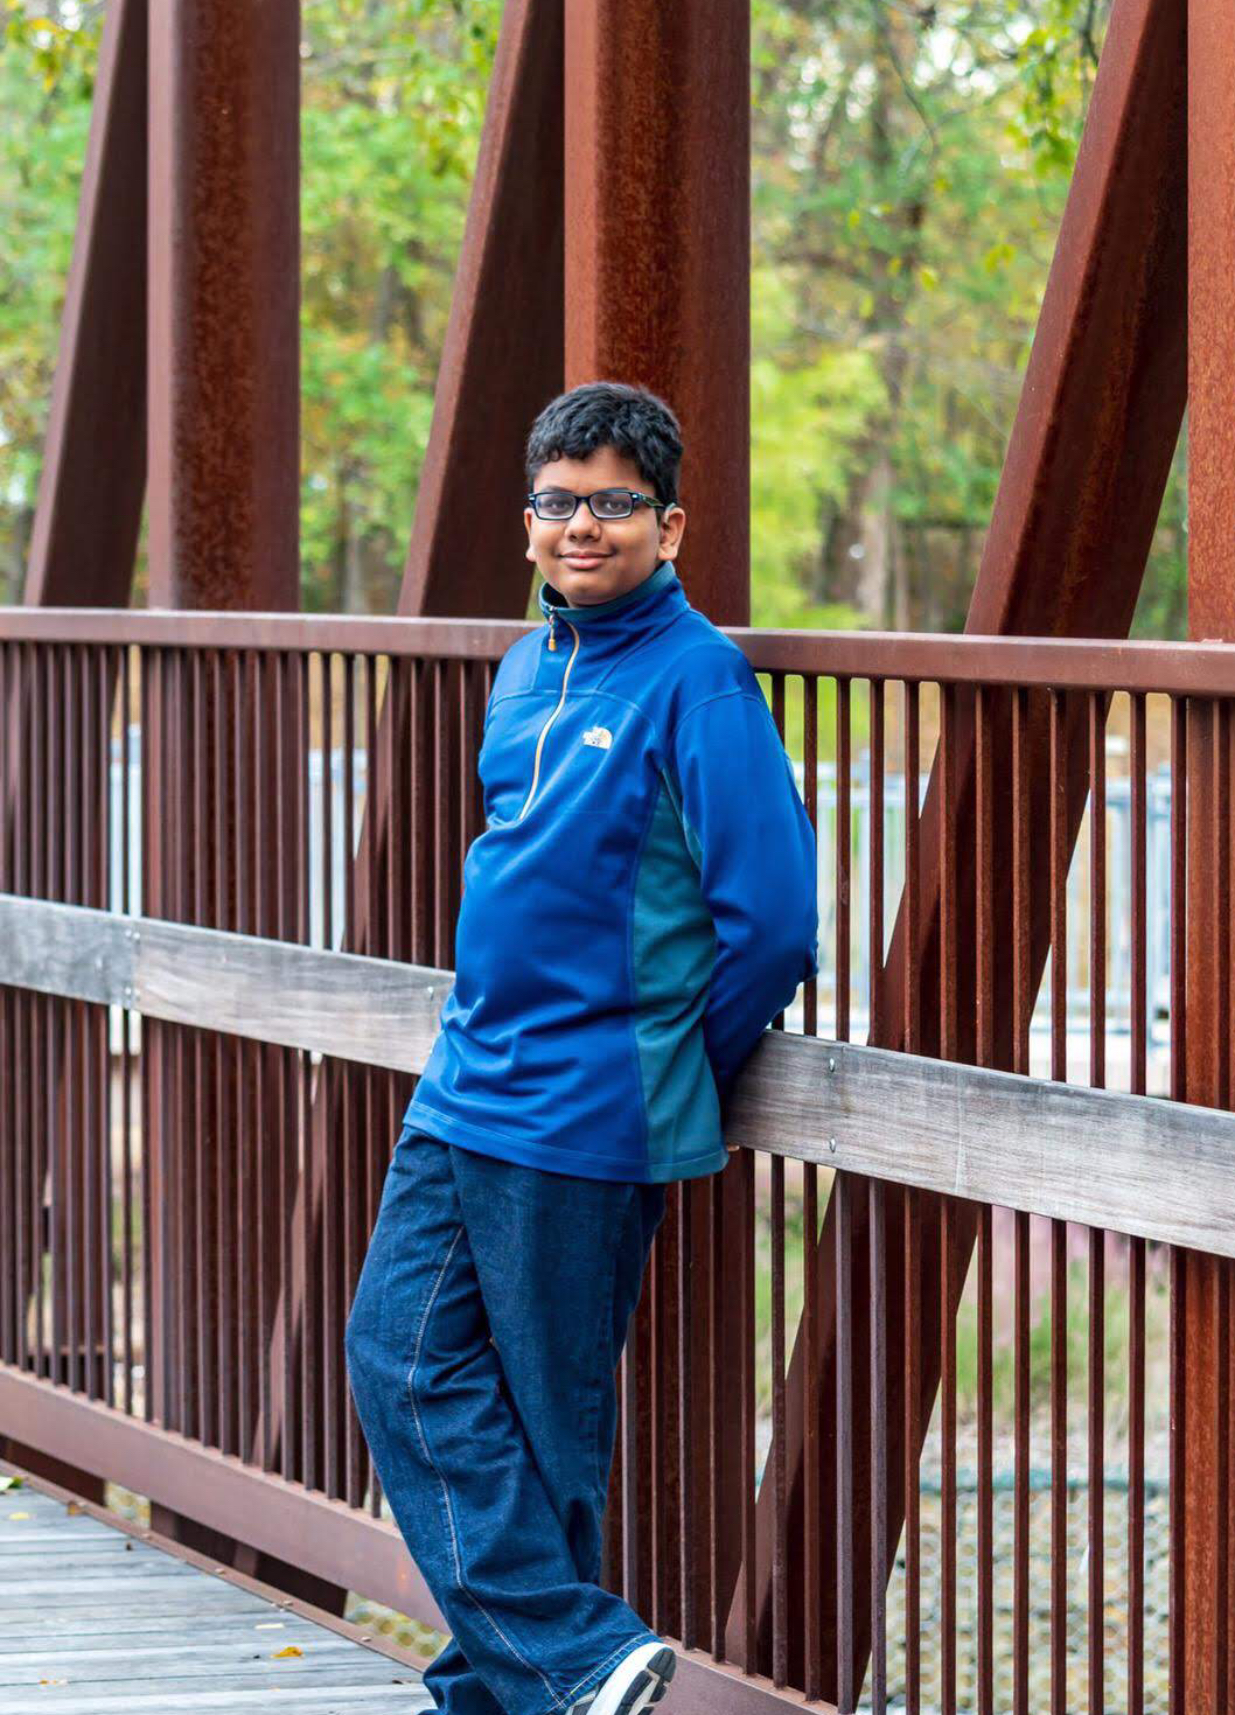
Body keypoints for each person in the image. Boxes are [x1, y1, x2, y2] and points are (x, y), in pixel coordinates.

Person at [345, 381, 819, 1715]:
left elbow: (773, 921)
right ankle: (573, 1659)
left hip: (586, 1111)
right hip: (467, 1084)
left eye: (614, 503)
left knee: (550, 1435)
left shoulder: (699, 680)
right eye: (559, 502)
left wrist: (665, 1054)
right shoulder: (526, 666)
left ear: (668, 529)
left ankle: (511, 1689)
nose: (581, 527)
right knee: (396, 1357)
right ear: (531, 522)